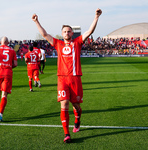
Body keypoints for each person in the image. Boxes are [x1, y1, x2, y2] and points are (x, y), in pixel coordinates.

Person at [32, 8, 102, 143]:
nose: (67, 33)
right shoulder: (58, 44)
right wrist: (36, 21)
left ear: (72, 33)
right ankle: (66, 134)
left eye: (69, 31)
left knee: (76, 106)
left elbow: (90, 31)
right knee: (64, 105)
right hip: (62, 79)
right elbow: (45, 34)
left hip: (75, 78)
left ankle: (77, 120)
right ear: (61, 33)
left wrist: (96, 17)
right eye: (64, 31)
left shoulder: (78, 42)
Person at [0, 36, 18, 122]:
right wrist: (9, 67)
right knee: (4, 94)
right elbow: (16, 64)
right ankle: (1, 114)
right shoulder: (12, 50)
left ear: (0, 42)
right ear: (8, 42)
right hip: (7, 73)